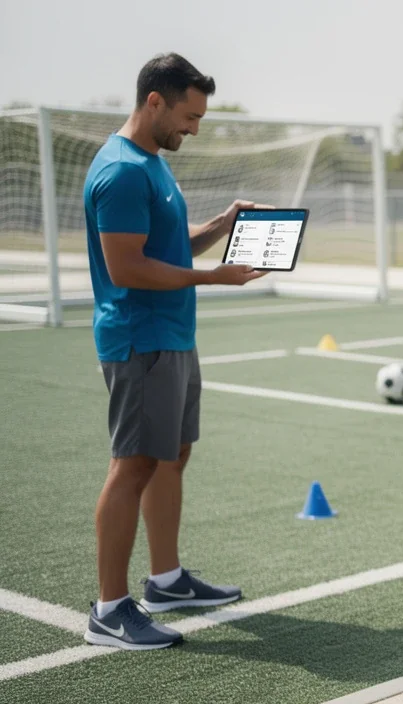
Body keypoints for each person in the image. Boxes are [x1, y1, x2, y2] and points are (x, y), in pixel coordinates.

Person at [82, 53, 268, 650]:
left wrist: (223, 223)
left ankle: (165, 581)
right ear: (154, 101)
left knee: (172, 456)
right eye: (190, 116)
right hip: (140, 338)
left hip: (173, 337)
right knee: (134, 464)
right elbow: (127, 266)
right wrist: (215, 278)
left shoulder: (153, 164)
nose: (195, 128)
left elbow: (166, 244)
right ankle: (110, 610)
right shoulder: (121, 171)